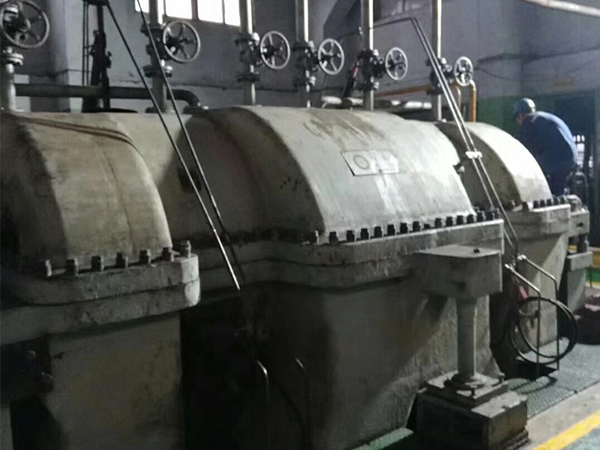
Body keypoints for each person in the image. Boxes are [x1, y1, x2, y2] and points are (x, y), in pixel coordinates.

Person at [512, 98, 577, 196]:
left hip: (557, 158)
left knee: (530, 174)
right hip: (570, 157)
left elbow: (521, 147)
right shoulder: (544, 118)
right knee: (557, 191)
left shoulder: (529, 120)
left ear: (520, 115)